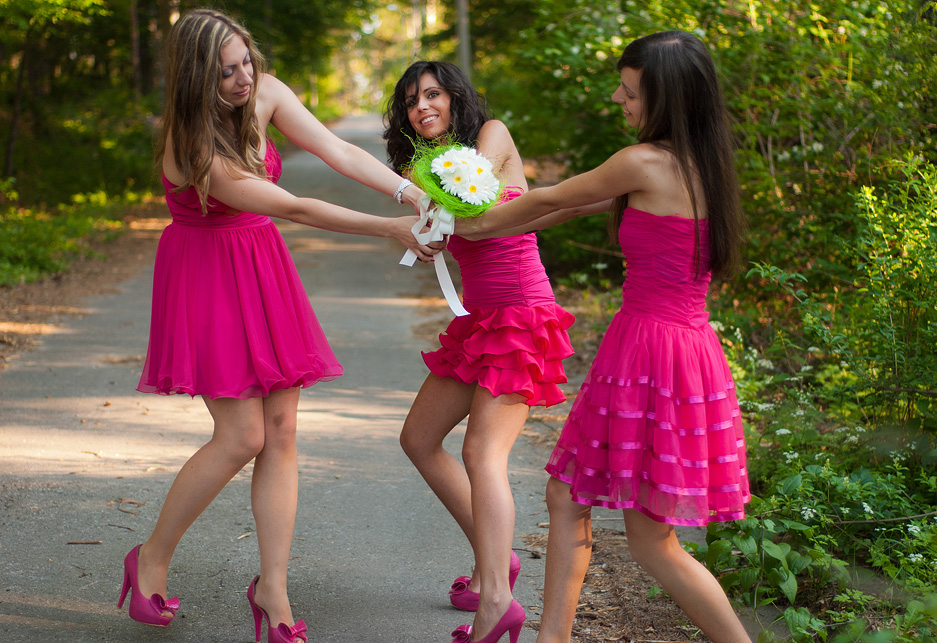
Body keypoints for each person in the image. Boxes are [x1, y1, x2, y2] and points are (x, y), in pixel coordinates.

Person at [118, 9, 438, 643]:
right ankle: (150, 557)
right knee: (242, 435)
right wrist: (389, 228)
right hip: (207, 275)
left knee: (283, 431)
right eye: (226, 72)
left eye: (246, 61)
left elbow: (337, 149)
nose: (244, 79)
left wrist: (411, 193)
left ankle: (274, 588)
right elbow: (294, 206)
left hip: (260, 265)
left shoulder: (262, 90)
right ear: (195, 79)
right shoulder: (193, 142)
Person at [455, 31, 752, 643]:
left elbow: (552, 196)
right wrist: (485, 218)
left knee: (639, 533)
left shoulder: (642, 162)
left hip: (649, 350)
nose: (619, 98)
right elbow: (567, 208)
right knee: (595, 510)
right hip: (688, 350)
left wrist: (472, 224)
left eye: (630, 90)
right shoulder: (703, 165)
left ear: (667, 98)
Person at [383, 61, 575, 643]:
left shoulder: (490, 136)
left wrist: (427, 204)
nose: (422, 107)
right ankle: (497, 560)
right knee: (419, 438)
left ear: (456, 98)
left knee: (482, 452)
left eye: (432, 94)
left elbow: (470, 203)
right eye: (411, 101)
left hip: (521, 315)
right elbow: (439, 219)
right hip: (479, 321)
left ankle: (495, 599)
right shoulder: (423, 166)